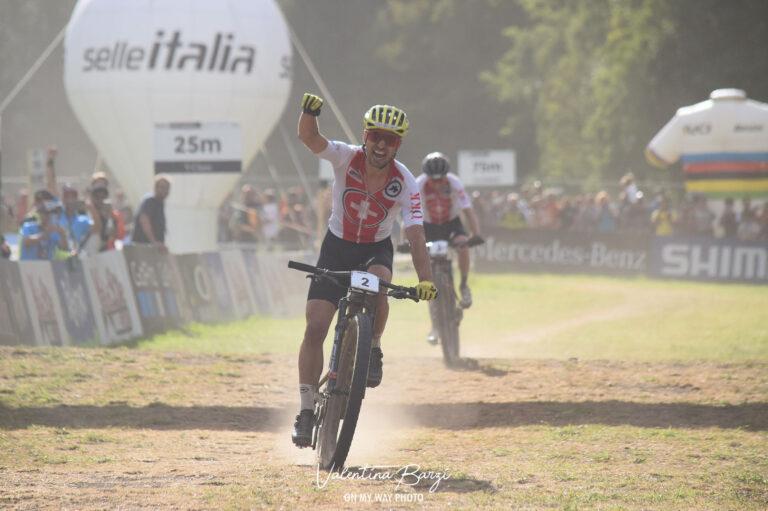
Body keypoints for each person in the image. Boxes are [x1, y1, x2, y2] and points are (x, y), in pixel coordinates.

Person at [291, 93, 436, 447]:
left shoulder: (406, 182)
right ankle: (307, 409)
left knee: (380, 286)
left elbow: (415, 235)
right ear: (366, 137)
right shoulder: (345, 157)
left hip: (374, 248)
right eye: (376, 137)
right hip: (336, 247)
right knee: (315, 327)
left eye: (390, 140)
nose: (381, 145)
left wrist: (426, 280)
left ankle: (372, 346)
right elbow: (311, 139)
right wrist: (309, 113)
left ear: (398, 145)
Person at [415, 152, 482, 345]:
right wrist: (406, 240)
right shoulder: (418, 184)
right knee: (428, 278)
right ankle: (435, 324)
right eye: (433, 180)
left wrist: (475, 235)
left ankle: (463, 284)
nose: (437, 184)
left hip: (451, 223)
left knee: (462, 245)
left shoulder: (454, 183)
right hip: (428, 225)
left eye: (440, 180)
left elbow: (468, 210)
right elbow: (410, 213)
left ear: (446, 176)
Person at [131, 175, 171, 253]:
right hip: (142, 247)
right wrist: (153, 242)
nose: (164, 190)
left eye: (166, 188)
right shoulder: (149, 202)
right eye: (162, 187)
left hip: (151, 248)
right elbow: (144, 219)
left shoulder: (160, 204)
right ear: (156, 188)